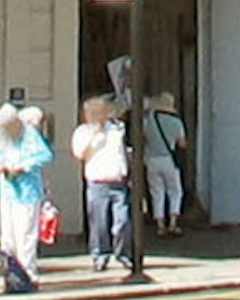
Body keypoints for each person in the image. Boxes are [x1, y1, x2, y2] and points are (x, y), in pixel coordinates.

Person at [0, 92, 53, 294]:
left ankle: (28, 275)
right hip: (8, 190)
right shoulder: (3, 136)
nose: (7, 131)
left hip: (27, 192)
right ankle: (11, 274)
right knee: (7, 236)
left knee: (25, 234)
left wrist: (23, 167)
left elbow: (45, 156)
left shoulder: (29, 134)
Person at [73, 94, 132, 264]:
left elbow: (122, 151)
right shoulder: (83, 131)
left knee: (122, 219)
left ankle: (122, 253)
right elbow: (79, 153)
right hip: (97, 181)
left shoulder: (116, 129)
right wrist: (94, 137)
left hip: (117, 180)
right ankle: (100, 254)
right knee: (99, 222)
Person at [144, 92, 190, 235]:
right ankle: (173, 222)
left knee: (157, 192)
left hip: (151, 159)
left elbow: (143, 137)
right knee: (175, 191)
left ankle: (160, 224)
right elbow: (182, 144)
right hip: (168, 159)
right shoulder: (176, 122)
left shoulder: (149, 120)